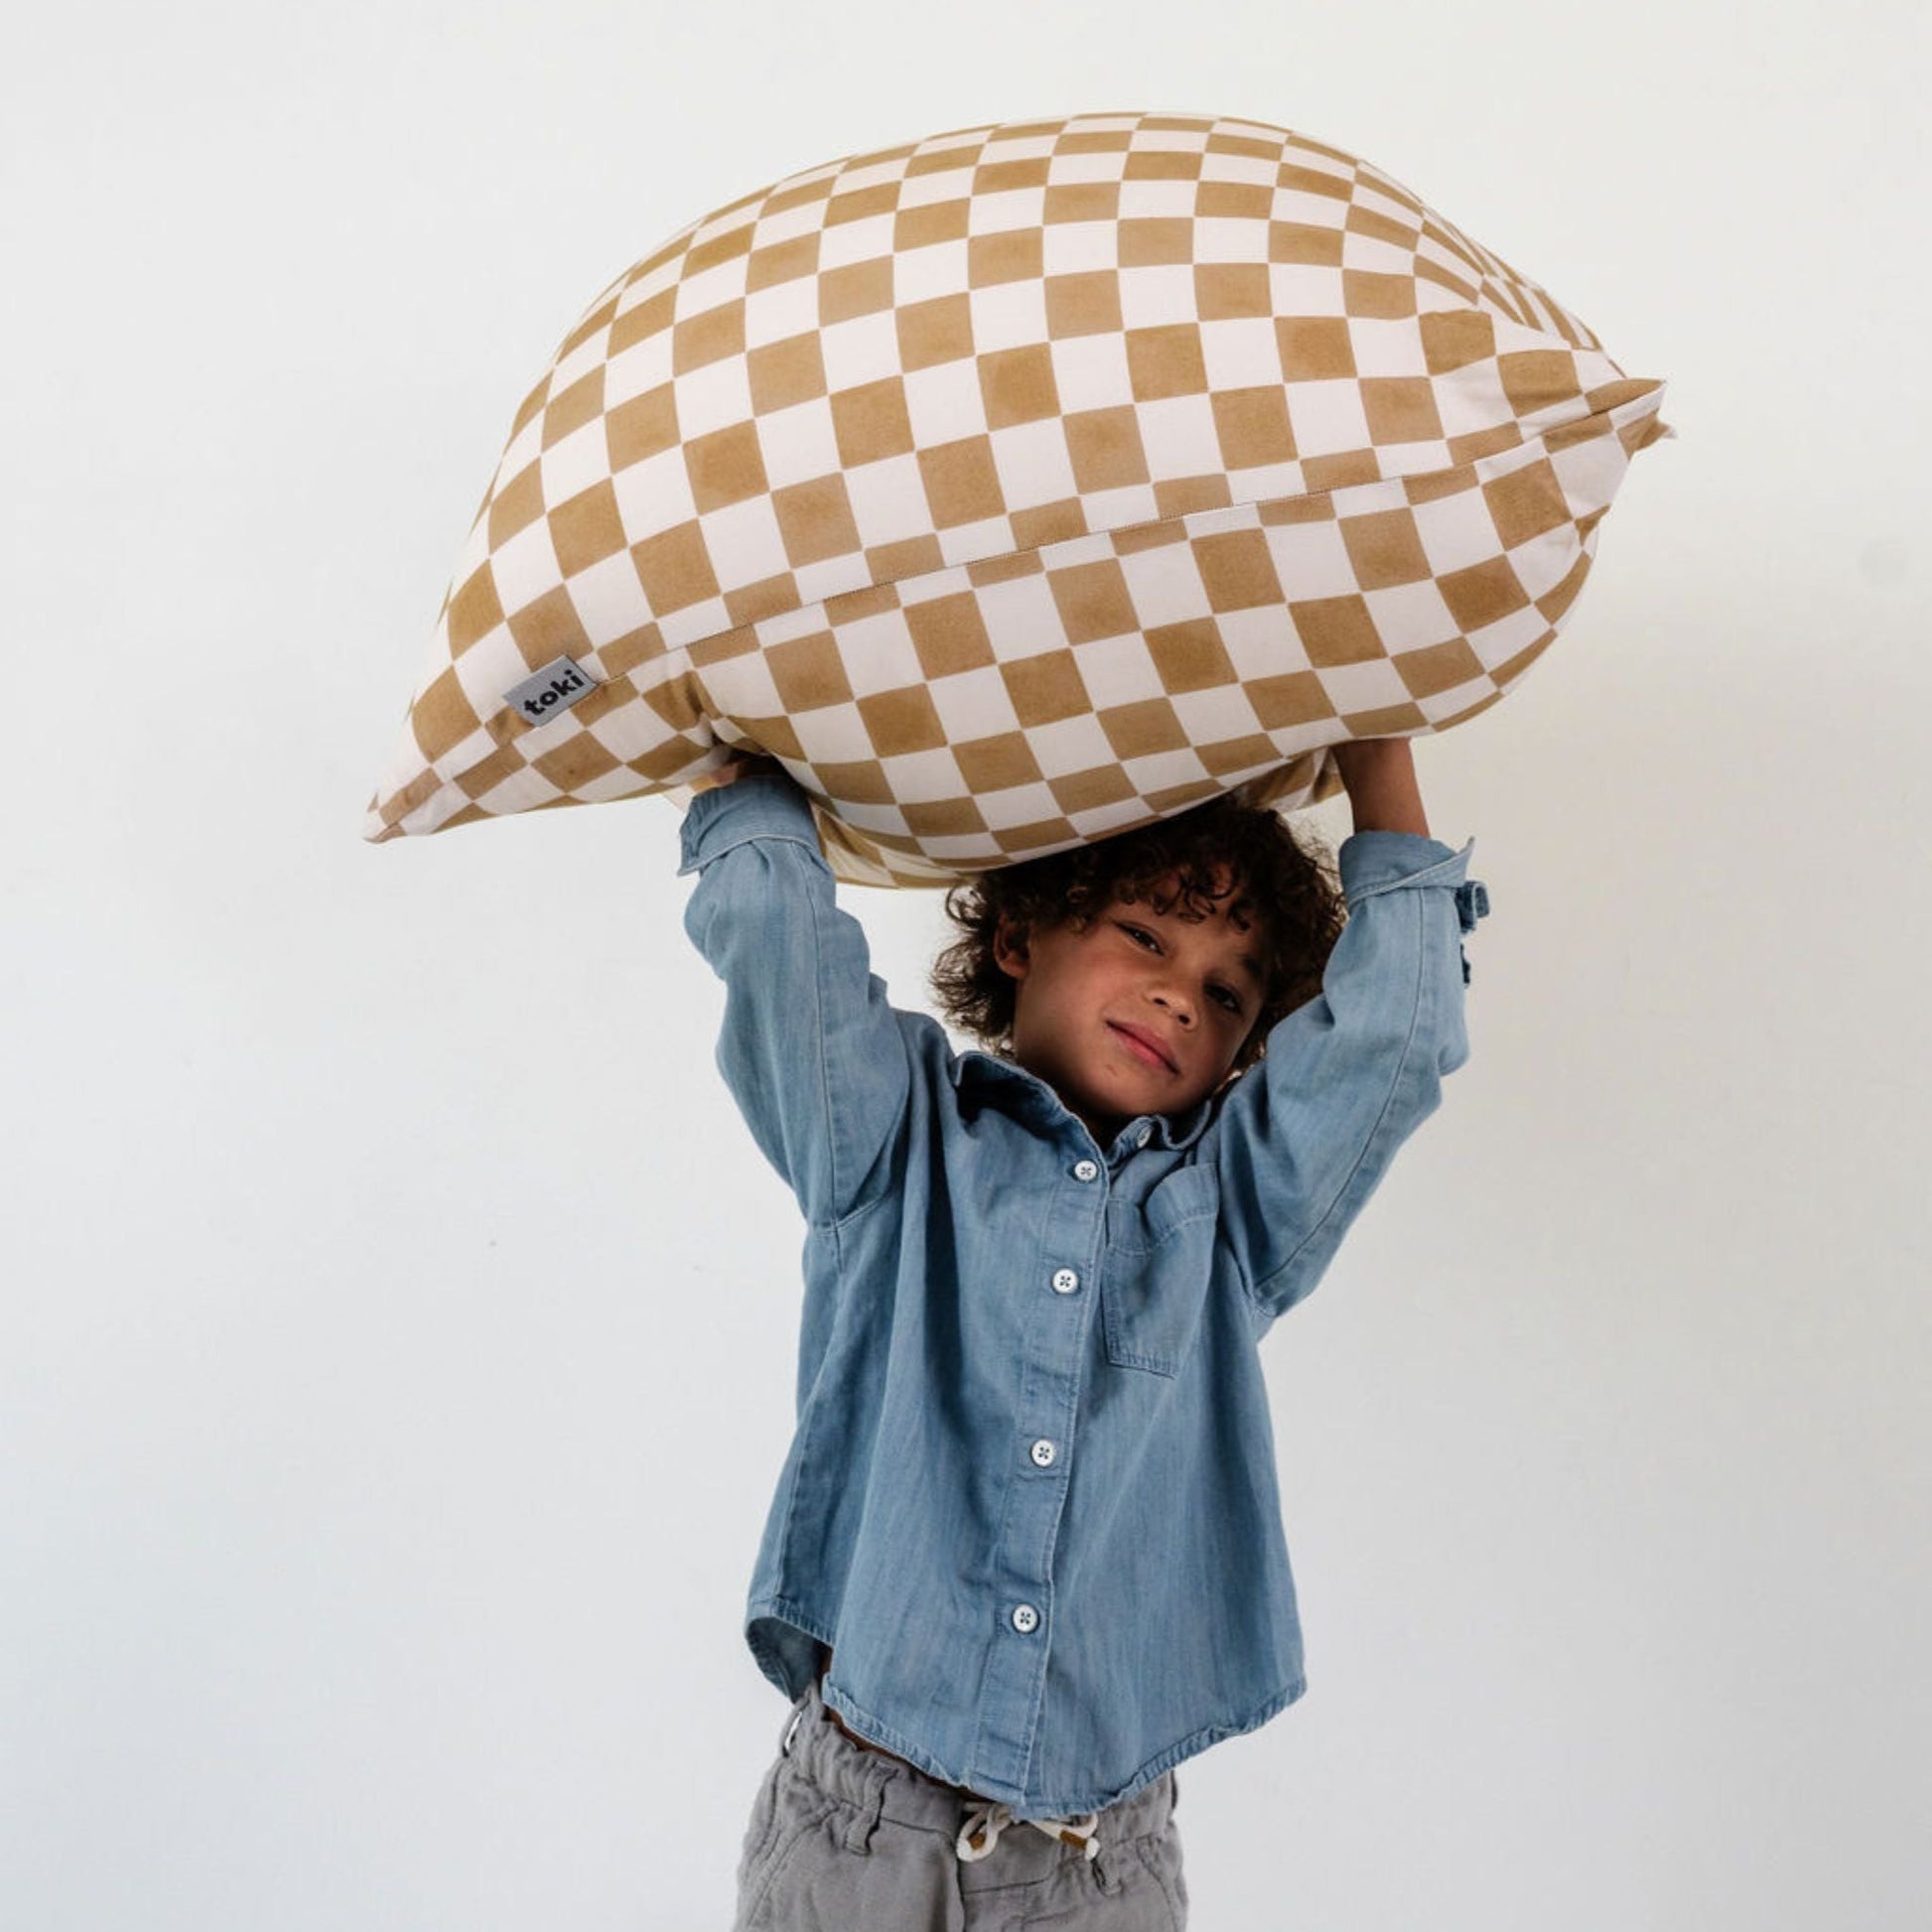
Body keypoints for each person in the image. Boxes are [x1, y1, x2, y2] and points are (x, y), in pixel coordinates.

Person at [677, 738, 1490, 1929]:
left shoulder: (1232, 1214)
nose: (1180, 994)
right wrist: (740, 747)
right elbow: (776, 944)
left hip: (1099, 1861)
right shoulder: (892, 1141)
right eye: (1146, 934)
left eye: (1227, 993)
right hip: (859, 1837)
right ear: (1019, 935)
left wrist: (1376, 745)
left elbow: (1396, 1037)